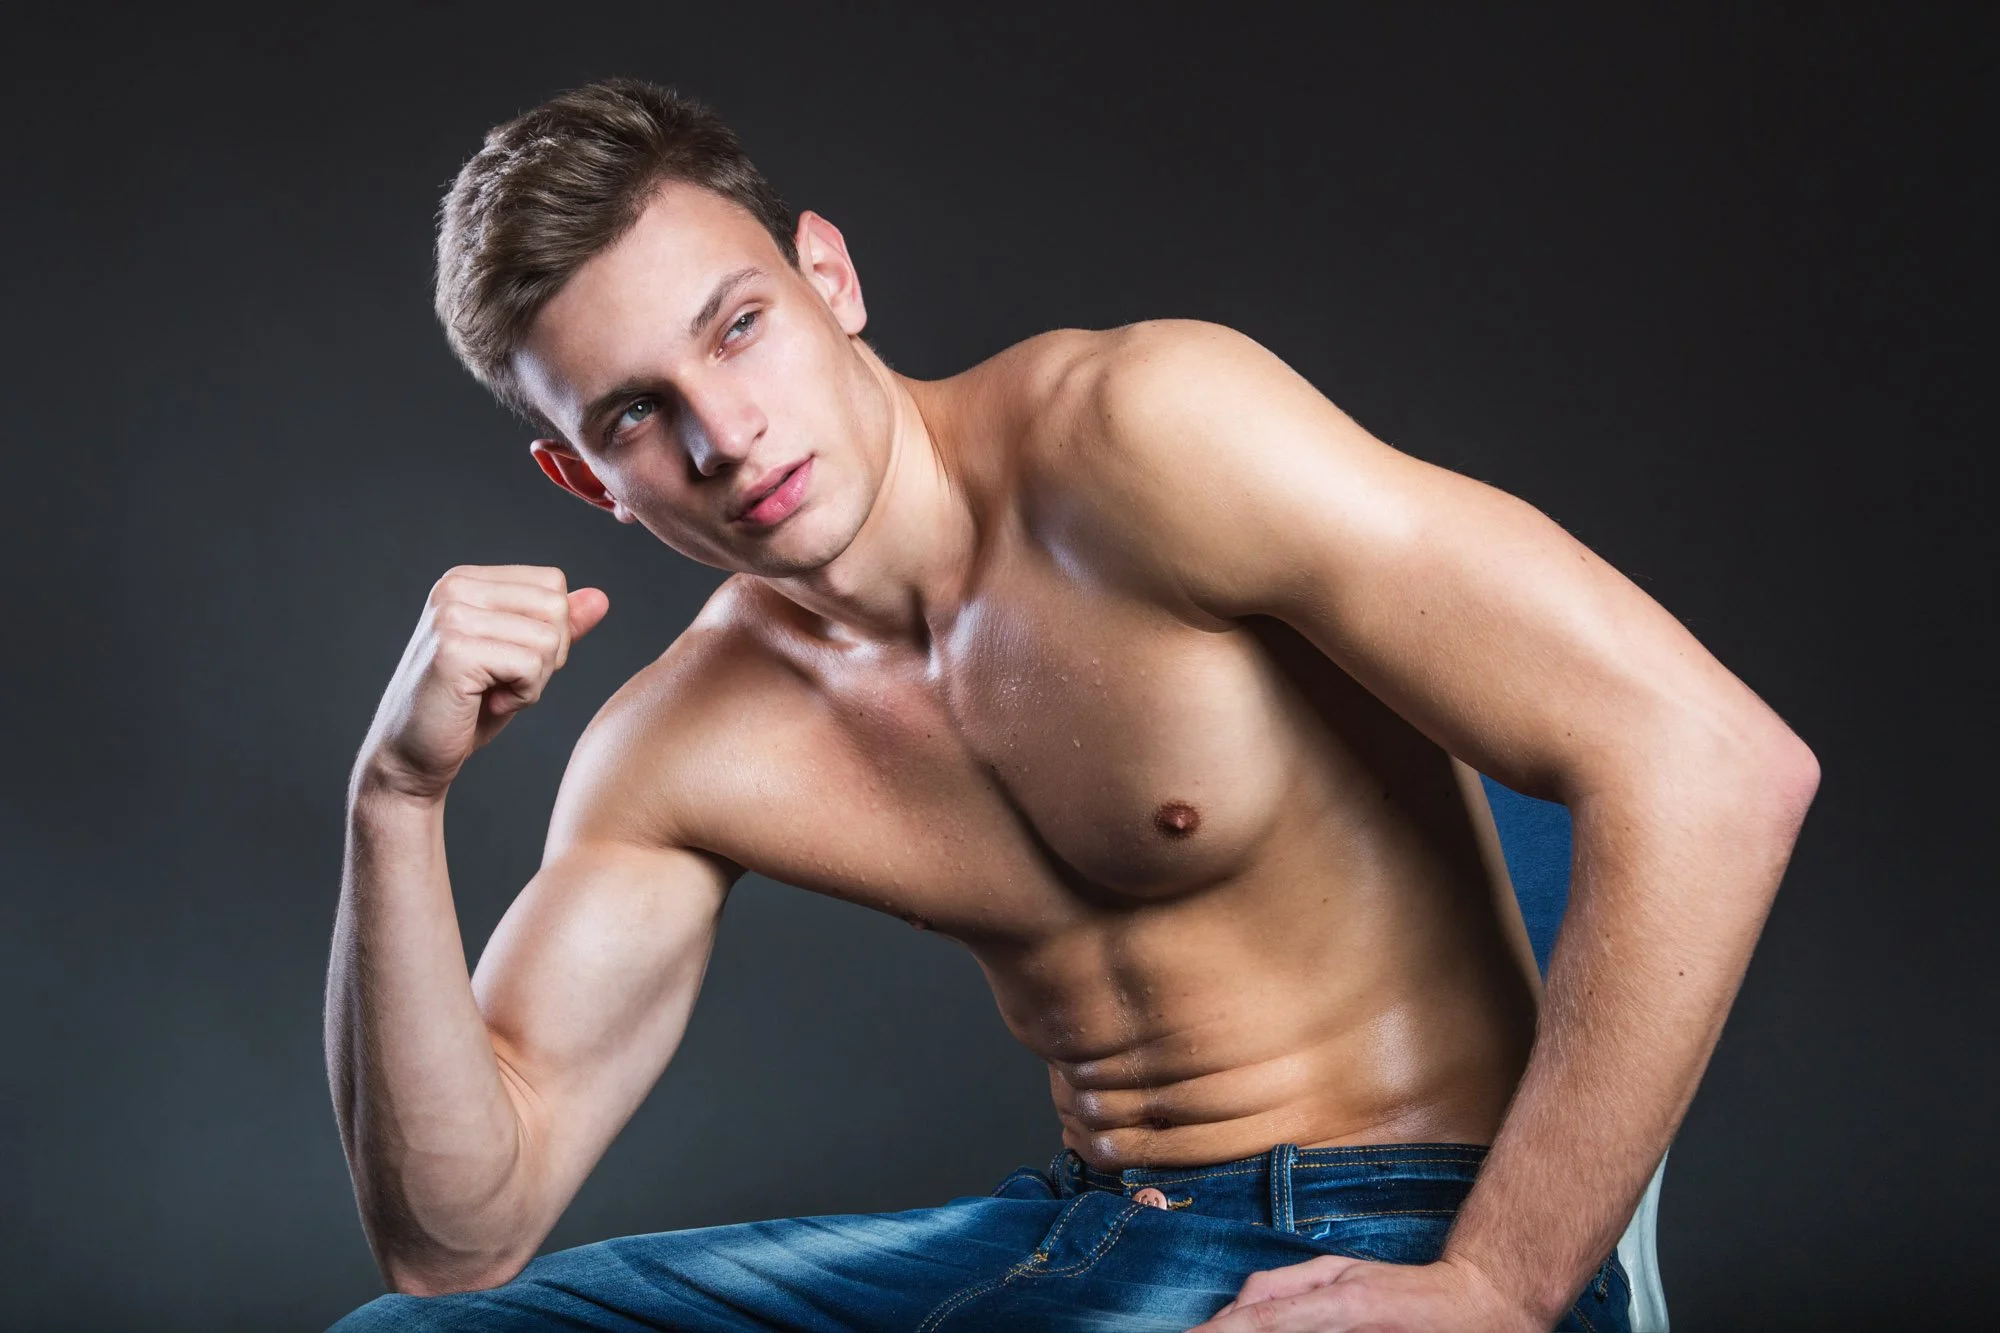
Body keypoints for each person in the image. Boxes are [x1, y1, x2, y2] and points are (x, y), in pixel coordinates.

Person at [326, 78, 1815, 1333]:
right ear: (587, 481)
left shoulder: (1141, 440)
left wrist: (1500, 1282)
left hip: (1389, 1227)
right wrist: (395, 801)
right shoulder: (686, 741)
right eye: (636, 416)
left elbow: (1713, 760)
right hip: (1088, 1232)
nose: (726, 434)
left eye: (738, 327)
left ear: (828, 278)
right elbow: (457, 1235)